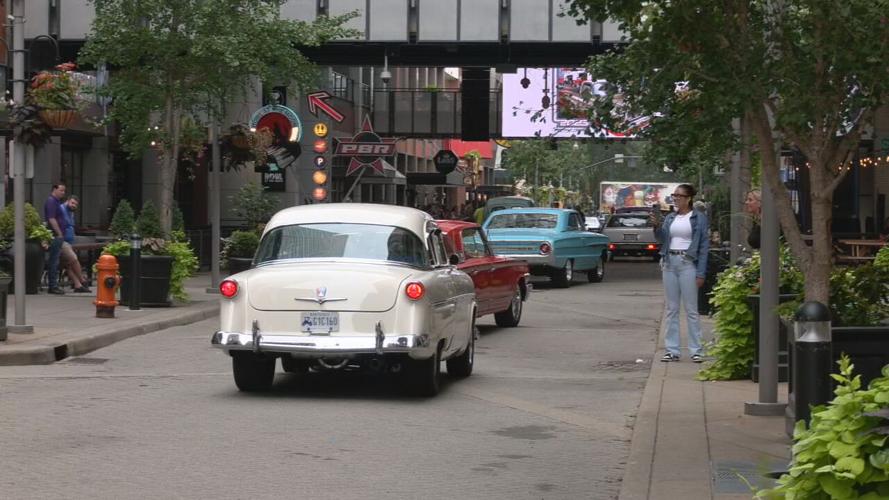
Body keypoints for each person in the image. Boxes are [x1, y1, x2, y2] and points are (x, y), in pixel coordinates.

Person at [651, 183, 709, 362]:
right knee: (671, 309)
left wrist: (701, 272)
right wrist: (656, 226)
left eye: (679, 196)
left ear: (688, 198)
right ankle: (672, 350)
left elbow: (704, 246)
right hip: (669, 262)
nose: (675, 198)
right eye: (674, 195)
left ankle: (696, 350)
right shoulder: (670, 218)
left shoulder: (698, 218)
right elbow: (662, 239)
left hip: (688, 263)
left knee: (691, 309)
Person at [59, 195, 90, 293]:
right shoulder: (61, 209)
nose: (74, 206)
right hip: (62, 241)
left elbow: (71, 227)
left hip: (69, 242)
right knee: (73, 259)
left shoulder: (70, 212)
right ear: (67, 201)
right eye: (72, 203)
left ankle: (78, 285)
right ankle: (82, 280)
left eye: (76, 204)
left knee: (68, 265)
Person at [43, 183, 67, 295]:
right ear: (54, 189)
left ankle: (54, 285)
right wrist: (59, 233)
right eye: (61, 190)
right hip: (55, 235)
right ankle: (53, 286)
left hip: (58, 235)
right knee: (54, 261)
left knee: (55, 260)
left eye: (64, 191)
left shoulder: (57, 202)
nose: (63, 193)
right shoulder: (51, 201)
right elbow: (51, 219)